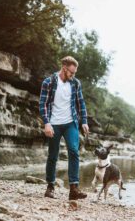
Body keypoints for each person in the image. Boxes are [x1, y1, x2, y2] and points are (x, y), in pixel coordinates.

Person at [39, 56, 89, 200]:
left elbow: (81, 103)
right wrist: (46, 123)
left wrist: (84, 121)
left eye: (74, 73)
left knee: (74, 151)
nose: (73, 76)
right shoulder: (48, 82)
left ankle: (73, 188)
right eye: (71, 73)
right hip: (53, 123)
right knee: (53, 155)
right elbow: (42, 104)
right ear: (64, 68)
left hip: (70, 123)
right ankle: (50, 187)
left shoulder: (75, 83)